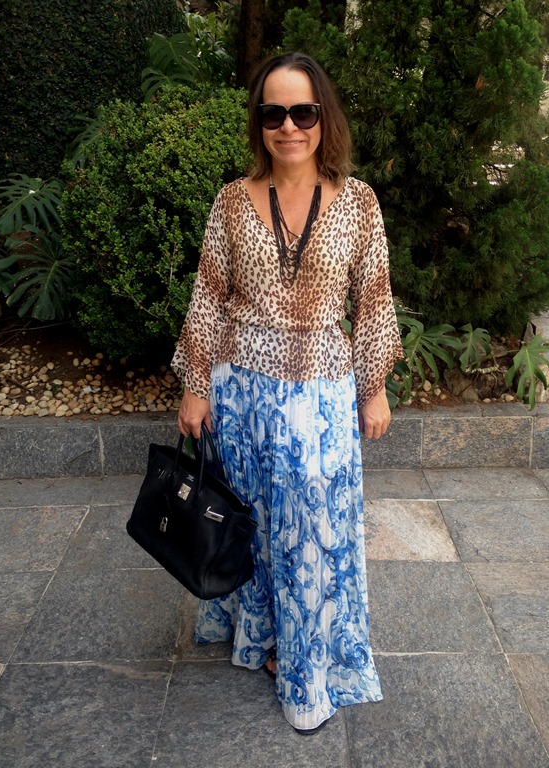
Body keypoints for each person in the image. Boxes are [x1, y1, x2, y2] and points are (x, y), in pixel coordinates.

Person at [171, 52, 402, 734]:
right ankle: (264, 638)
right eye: (273, 113)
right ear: (259, 122)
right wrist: (195, 385)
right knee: (255, 525)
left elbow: (373, 300)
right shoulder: (231, 201)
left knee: (313, 531)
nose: (288, 127)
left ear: (323, 118)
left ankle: (307, 673)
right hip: (240, 389)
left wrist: (373, 387)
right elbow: (209, 297)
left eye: (302, 112)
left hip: (321, 393)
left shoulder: (358, 202)